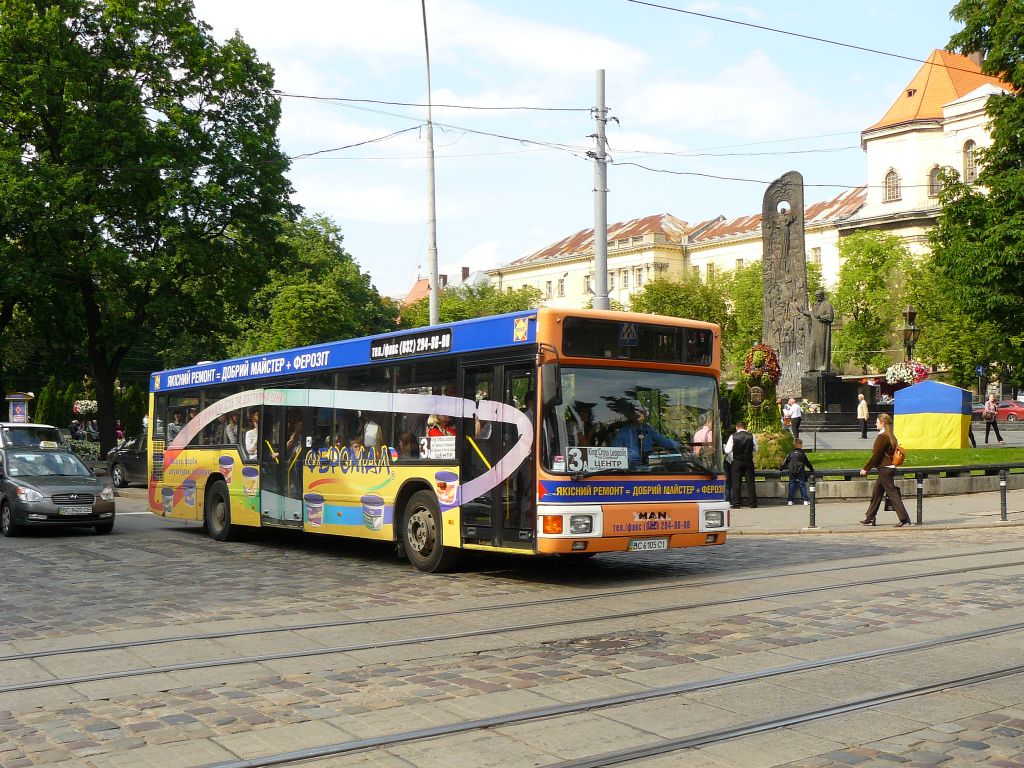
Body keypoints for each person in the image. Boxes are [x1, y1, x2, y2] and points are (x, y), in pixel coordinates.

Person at [858, 412, 912, 527]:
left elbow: (875, 455)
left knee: (893, 494)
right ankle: (870, 517)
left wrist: (865, 469)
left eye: (877, 422)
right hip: (890, 468)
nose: (875, 424)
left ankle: (904, 518)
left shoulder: (882, 437)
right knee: (877, 492)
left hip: (884, 469)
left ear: (882, 423)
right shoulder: (891, 435)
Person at [611, 403, 679, 468]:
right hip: (631, 465)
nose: (640, 414)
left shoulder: (648, 428)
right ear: (630, 415)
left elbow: (663, 441)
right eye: (636, 412)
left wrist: (680, 445)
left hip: (649, 462)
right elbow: (616, 451)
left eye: (642, 412)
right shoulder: (623, 432)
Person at [799, 289, 835, 372]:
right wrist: (803, 311)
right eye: (816, 296)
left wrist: (821, 317)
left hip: (822, 329)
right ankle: (812, 367)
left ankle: (822, 367)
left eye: (819, 295)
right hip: (814, 330)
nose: (817, 297)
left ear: (823, 295)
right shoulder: (815, 304)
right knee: (812, 347)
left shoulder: (827, 304)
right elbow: (812, 314)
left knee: (821, 348)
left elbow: (830, 316)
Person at [724, 421, 757, 508]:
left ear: (737, 427)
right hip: (748, 461)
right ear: (745, 427)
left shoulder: (733, 436)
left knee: (736, 482)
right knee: (750, 483)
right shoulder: (751, 435)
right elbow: (756, 449)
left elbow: (727, 450)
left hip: (737, 461)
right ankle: (753, 503)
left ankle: (736, 503)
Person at [780, 438, 814, 505]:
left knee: (792, 485)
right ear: (798, 445)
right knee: (802, 485)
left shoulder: (791, 453)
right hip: (800, 471)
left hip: (792, 471)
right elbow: (807, 462)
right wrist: (811, 469)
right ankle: (805, 500)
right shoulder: (802, 453)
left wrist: (781, 468)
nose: (802, 446)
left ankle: (790, 500)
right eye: (801, 444)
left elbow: (785, 461)